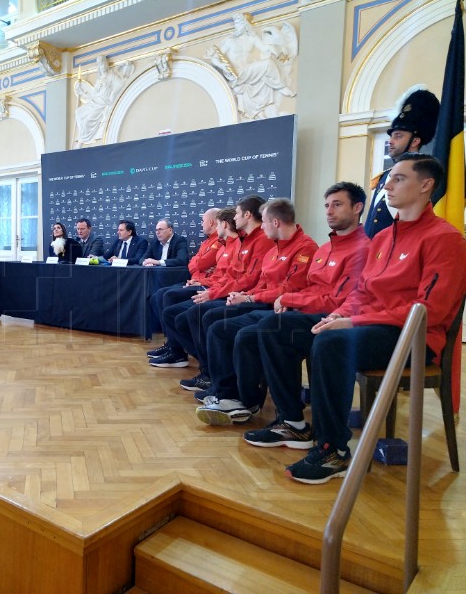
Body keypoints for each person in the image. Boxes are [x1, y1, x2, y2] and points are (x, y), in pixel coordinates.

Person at [251, 154, 466, 484]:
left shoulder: (445, 238)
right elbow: (361, 293)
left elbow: (429, 310)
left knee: (331, 343)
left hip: (412, 337)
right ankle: (293, 423)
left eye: (398, 179)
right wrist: (339, 313)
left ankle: (333, 448)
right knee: (275, 328)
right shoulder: (382, 239)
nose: (387, 185)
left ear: (426, 185)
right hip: (368, 324)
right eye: (388, 179)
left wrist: (351, 322)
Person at [196, 185, 367, 426]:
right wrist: (255, 296)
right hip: (292, 309)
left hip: (321, 317)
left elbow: (325, 297)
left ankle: (281, 416)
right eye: (327, 205)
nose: (328, 211)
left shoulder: (316, 248)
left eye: (336, 205)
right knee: (221, 327)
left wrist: (280, 299)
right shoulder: (324, 248)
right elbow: (301, 288)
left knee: (253, 330)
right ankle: (238, 398)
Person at [151, 196, 268, 369]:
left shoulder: (251, 242)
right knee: (166, 302)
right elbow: (199, 265)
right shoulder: (235, 243)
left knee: (186, 310)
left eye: (237, 214)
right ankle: (205, 365)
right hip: (224, 290)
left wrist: (213, 290)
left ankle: (208, 368)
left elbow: (245, 279)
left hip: (238, 295)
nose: (235, 218)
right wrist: (204, 281)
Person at [364, 87, 439, 238]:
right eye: (391, 136)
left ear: (415, 140)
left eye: (398, 136)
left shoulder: (423, 177)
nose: (390, 142)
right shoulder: (385, 177)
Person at [205, 13, 297, 119]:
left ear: (245, 25)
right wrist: (222, 66)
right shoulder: (230, 41)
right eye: (236, 24)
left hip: (249, 71)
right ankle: (281, 86)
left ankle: (263, 105)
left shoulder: (251, 39)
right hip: (237, 74)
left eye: (240, 23)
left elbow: (264, 48)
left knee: (267, 64)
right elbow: (214, 58)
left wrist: (277, 48)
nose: (238, 26)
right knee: (267, 64)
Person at [148, 208, 221, 340]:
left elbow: (197, 263)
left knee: (168, 295)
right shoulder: (206, 242)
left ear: (210, 222)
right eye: (156, 230)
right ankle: (170, 341)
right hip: (195, 281)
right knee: (156, 296)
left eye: (202, 221)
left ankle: (175, 346)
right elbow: (192, 264)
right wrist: (199, 266)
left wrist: (199, 267)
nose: (201, 224)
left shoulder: (219, 241)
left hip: (206, 285)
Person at [73, 55, 134, 146]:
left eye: (102, 64)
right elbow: (93, 94)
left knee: (86, 122)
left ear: (106, 64)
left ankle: (82, 141)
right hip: (94, 102)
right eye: (99, 65)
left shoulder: (111, 75)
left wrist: (113, 94)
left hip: (102, 103)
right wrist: (81, 92)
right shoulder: (99, 79)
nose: (101, 67)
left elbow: (120, 84)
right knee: (78, 112)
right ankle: (82, 137)